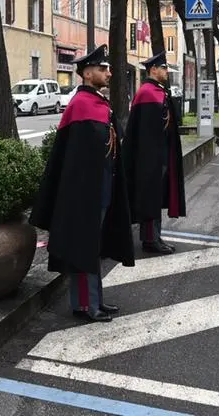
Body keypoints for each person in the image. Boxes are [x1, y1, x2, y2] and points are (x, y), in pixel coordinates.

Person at [29, 45, 134, 323]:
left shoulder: (98, 103)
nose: (108, 73)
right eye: (103, 69)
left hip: (101, 187)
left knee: (94, 245)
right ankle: (87, 304)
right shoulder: (81, 106)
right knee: (86, 245)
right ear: (87, 73)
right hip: (86, 192)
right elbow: (76, 160)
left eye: (108, 68)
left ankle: (94, 300)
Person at [123, 51, 187, 255]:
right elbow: (149, 132)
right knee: (150, 197)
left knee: (156, 195)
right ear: (153, 70)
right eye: (164, 68)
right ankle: (150, 239)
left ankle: (155, 236)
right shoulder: (148, 93)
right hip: (151, 157)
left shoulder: (157, 91)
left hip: (160, 154)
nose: (167, 71)